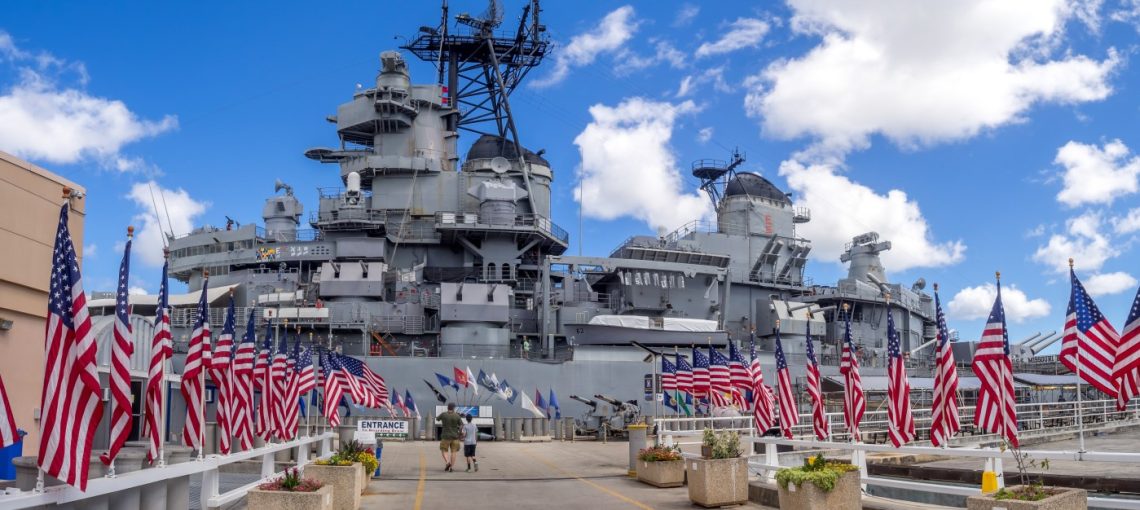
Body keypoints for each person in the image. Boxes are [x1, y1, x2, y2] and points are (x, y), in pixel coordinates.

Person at [439, 402, 463, 472]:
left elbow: (437, 419)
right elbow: (461, 425)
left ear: (447, 407)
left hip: (445, 436)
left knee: (444, 450)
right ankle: (451, 467)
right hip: (455, 436)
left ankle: (447, 462)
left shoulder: (443, 414)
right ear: (454, 408)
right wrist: (460, 432)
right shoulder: (457, 416)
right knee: (454, 452)